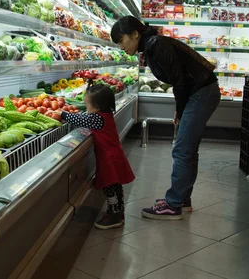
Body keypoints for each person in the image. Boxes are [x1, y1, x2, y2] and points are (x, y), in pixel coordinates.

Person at [111, 16, 221, 220]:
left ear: (135, 34)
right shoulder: (153, 45)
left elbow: (179, 81)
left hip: (202, 92)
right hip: (202, 91)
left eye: (121, 40)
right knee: (188, 150)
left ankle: (173, 205)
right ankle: (182, 199)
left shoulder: (157, 45)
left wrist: (180, 110)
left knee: (181, 149)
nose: (120, 46)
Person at [61, 83, 135, 229]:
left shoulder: (97, 118)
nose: (86, 108)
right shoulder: (106, 114)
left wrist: (63, 114)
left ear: (97, 107)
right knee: (116, 186)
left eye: (87, 105)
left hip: (109, 158)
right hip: (114, 155)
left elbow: (82, 120)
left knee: (109, 187)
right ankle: (119, 211)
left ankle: (113, 215)